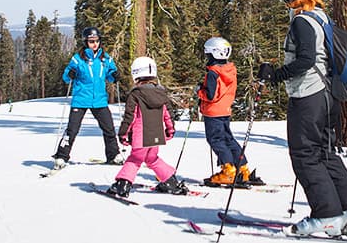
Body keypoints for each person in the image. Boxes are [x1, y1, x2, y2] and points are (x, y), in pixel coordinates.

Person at [256, 0, 347, 237]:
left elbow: (305, 61)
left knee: (305, 155)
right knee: (325, 152)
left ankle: (326, 215)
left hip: (309, 95)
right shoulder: (322, 18)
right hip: (328, 96)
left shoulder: (302, 21)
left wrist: (274, 74)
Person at [106, 56, 188, 197]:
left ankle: (123, 184)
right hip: (156, 135)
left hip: (140, 136)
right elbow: (167, 113)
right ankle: (171, 182)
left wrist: (123, 134)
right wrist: (170, 129)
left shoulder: (136, 95)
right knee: (152, 159)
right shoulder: (161, 93)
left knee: (135, 159)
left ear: (136, 74)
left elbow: (129, 117)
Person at [198, 37, 264, 187]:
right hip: (225, 110)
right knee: (228, 139)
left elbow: (210, 95)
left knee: (216, 140)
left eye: (207, 54)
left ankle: (228, 170)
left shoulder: (213, 73)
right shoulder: (230, 70)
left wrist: (199, 91)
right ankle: (243, 168)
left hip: (213, 112)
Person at [52, 27, 122, 169]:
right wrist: (70, 74)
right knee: (72, 130)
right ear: (86, 42)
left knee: (108, 129)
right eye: (91, 41)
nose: (94, 44)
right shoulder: (78, 59)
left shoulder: (106, 59)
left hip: (99, 100)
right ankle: (61, 156)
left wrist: (114, 75)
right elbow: (66, 77)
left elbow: (110, 73)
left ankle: (113, 155)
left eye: (97, 41)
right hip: (81, 99)